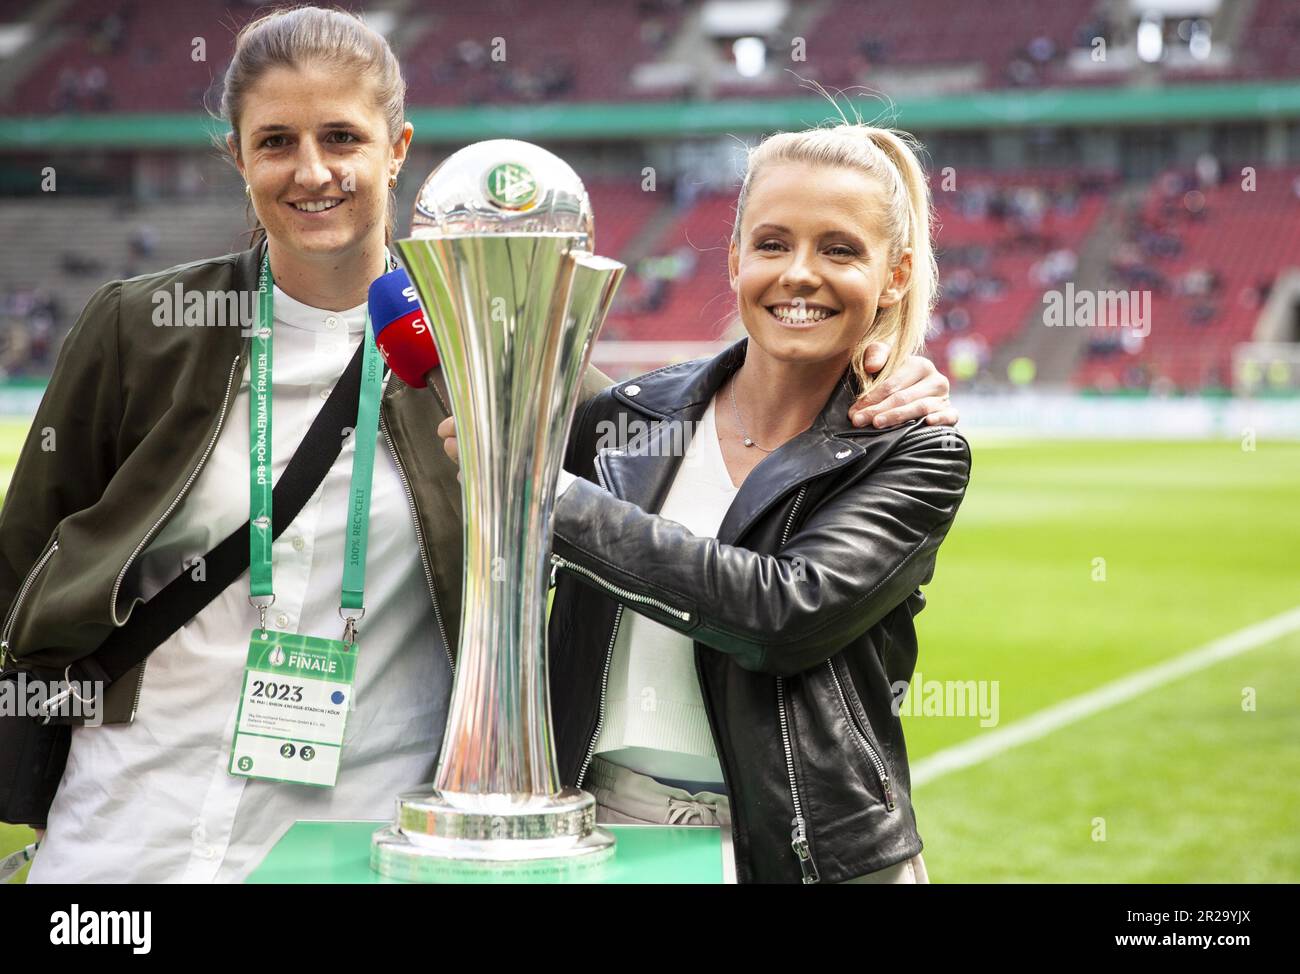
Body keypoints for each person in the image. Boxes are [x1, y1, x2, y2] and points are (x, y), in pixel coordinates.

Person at [0, 6, 957, 883]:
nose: (312, 171)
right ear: (235, 155)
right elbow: (24, 571)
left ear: (397, 148)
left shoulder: (511, 366)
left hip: (366, 826)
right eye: (275, 142)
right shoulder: (143, 329)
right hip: (127, 816)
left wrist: (886, 366)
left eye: (342, 137)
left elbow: (746, 514)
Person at [442, 122, 971, 884]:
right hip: (603, 834)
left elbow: (782, 615)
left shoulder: (914, 452)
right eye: (772, 244)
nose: (800, 273)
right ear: (734, 260)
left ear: (896, 275)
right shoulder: (626, 416)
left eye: (841, 250)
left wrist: (545, 496)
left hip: (808, 854)